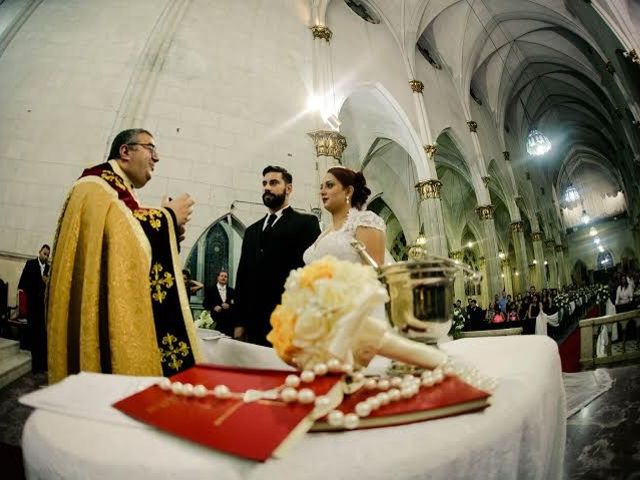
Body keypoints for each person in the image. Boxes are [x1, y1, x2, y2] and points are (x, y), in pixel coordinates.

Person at [47, 128, 201, 383]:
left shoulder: (118, 190)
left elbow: (124, 248)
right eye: (150, 148)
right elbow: (121, 235)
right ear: (125, 151)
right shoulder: (95, 186)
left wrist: (165, 233)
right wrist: (168, 218)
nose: (157, 157)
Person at [234, 165, 320, 346]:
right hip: (254, 324)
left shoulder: (306, 223)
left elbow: (310, 275)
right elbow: (242, 278)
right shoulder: (251, 231)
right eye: (264, 183)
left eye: (274, 183)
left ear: (288, 189)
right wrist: (240, 322)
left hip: (290, 321)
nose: (267, 187)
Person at [303, 166, 385, 266]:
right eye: (321, 187)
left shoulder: (365, 220)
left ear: (348, 191)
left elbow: (374, 274)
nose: (322, 192)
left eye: (329, 185)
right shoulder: (325, 233)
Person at [18, 244, 50, 373]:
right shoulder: (30, 264)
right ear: (39, 252)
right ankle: (34, 367)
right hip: (32, 306)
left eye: (48, 255)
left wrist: (46, 282)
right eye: (44, 253)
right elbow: (22, 283)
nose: (46, 256)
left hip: (42, 308)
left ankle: (42, 366)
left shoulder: (48, 268)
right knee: (33, 335)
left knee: (41, 336)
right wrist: (37, 283)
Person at [203, 270, 235, 337]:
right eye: (222, 276)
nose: (223, 278)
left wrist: (229, 306)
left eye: (225, 276)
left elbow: (236, 305)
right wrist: (214, 307)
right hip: (215, 321)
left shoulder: (231, 291)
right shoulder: (211, 290)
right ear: (218, 277)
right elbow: (205, 303)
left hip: (229, 323)